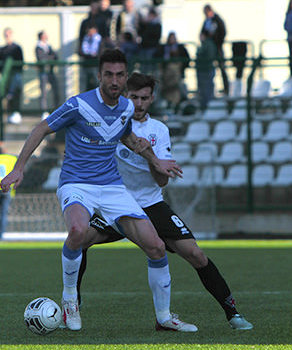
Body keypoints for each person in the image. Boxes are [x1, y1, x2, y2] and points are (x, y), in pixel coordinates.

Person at [0, 49, 191, 332]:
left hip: (112, 186)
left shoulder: (127, 107)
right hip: (77, 183)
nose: (114, 80)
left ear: (126, 77)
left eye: (119, 75)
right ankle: (69, 299)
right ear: (99, 76)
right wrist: (19, 167)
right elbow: (41, 128)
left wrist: (155, 161)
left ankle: (164, 317)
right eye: (108, 74)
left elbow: (127, 136)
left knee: (156, 246)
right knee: (78, 231)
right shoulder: (78, 104)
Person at [76, 73, 254, 331]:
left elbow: (161, 182)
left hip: (150, 204)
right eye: (133, 97)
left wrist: (149, 155)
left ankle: (233, 313)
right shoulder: (111, 124)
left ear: (152, 98)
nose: (138, 103)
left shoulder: (159, 130)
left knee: (196, 254)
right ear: (126, 96)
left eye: (144, 98)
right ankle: (72, 306)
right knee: (79, 240)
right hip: (116, 203)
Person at [200, 4, 229, 96]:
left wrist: (216, 40)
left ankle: (226, 88)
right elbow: (203, 33)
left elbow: (222, 32)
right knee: (208, 69)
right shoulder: (206, 21)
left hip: (217, 47)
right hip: (209, 49)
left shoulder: (217, 20)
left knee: (222, 68)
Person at [158, 31, 190, 110]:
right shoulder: (163, 48)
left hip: (175, 77)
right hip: (167, 76)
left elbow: (187, 59)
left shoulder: (180, 48)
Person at [0, 28, 24, 125]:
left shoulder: (17, 48)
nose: (7, 36)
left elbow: (21, 62)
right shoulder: (3, 49)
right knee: (8, 94)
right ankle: (10, 113)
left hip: (16, 75)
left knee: (15, 93)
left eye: (9, 34)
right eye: (6, 34)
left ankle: (16, 112)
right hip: (7, 77)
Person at [35, 30, 60, 119]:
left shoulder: (48, 46)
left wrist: (50, 58)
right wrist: (50, 58)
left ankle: (56, 109)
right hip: (43, 72)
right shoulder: (38, 47)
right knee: (43, 92)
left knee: (56, 90)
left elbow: (56, 56)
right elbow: (42, 59)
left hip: (50, 71)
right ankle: (43, 111)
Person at [196, 30, 217, 110]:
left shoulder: (208, 45)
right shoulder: (204, 45)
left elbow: (209, 56)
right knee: (203, 90)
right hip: (203, 70)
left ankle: (207, 107)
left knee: (207, 90)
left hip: (206, 70)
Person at [79, 23, 102, 92]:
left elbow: (99, 51)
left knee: (96, 81)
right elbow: (82, 50)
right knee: (85, 82)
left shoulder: (99, 39)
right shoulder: (86, 38)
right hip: (86, 63)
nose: (89, 33)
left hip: (95, 64)